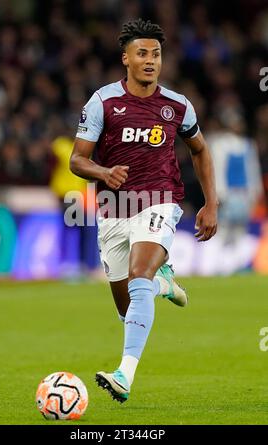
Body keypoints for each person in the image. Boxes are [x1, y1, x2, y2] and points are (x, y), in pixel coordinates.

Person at [70, 18, 218, 403]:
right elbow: (76, 160)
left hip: (159, 202)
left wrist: (210, 203)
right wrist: (103, 171)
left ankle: (124, 375)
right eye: (142, 54)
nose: (150, 60)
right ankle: (161, 283)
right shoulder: (103, 102)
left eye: (156, 54)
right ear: (126, 59)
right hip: (113, 211)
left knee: (138, 274)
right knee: (128, 307)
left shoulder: (177, 106)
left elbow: (200, 149)